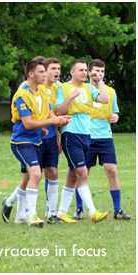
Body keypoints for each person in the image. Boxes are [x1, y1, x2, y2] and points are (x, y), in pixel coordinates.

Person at [2, 57, 65, 224]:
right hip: (22, 142)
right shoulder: (21, 94)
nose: (45, 74)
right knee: (36, 174)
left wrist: (57, 120)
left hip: (37, 140)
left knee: (28, 177)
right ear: (31, 74)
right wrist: (51, 122)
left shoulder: (43, 91)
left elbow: (49, 115)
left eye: (45, 71)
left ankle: (20, 215)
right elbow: (28, 123)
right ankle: (32, 215)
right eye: (41, 72)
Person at [54, 59, 110, 224]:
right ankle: (93, 212)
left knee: (73, 175)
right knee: (82, 173)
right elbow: (58, 111)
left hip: (86, 135)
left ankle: (61, 213)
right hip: (71, 135)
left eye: (86, 70)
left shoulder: (89, 88)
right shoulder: (63, 88)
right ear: (72, 72)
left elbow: (105, 99)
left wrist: (99, 80)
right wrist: (71, 97)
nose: (85, 73)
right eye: (81, 70)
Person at [74, 59, 130, 220]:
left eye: (102, 72)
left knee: (112, 171)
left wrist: (115, 117)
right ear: (89, 72)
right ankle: (79, 209)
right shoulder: (83, 90)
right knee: (83, 174)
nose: (99, 74)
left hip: (105, 138)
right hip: (87, 137)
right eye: (96, 71)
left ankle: (118, 210)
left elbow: (115, 111)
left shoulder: (110, 91)